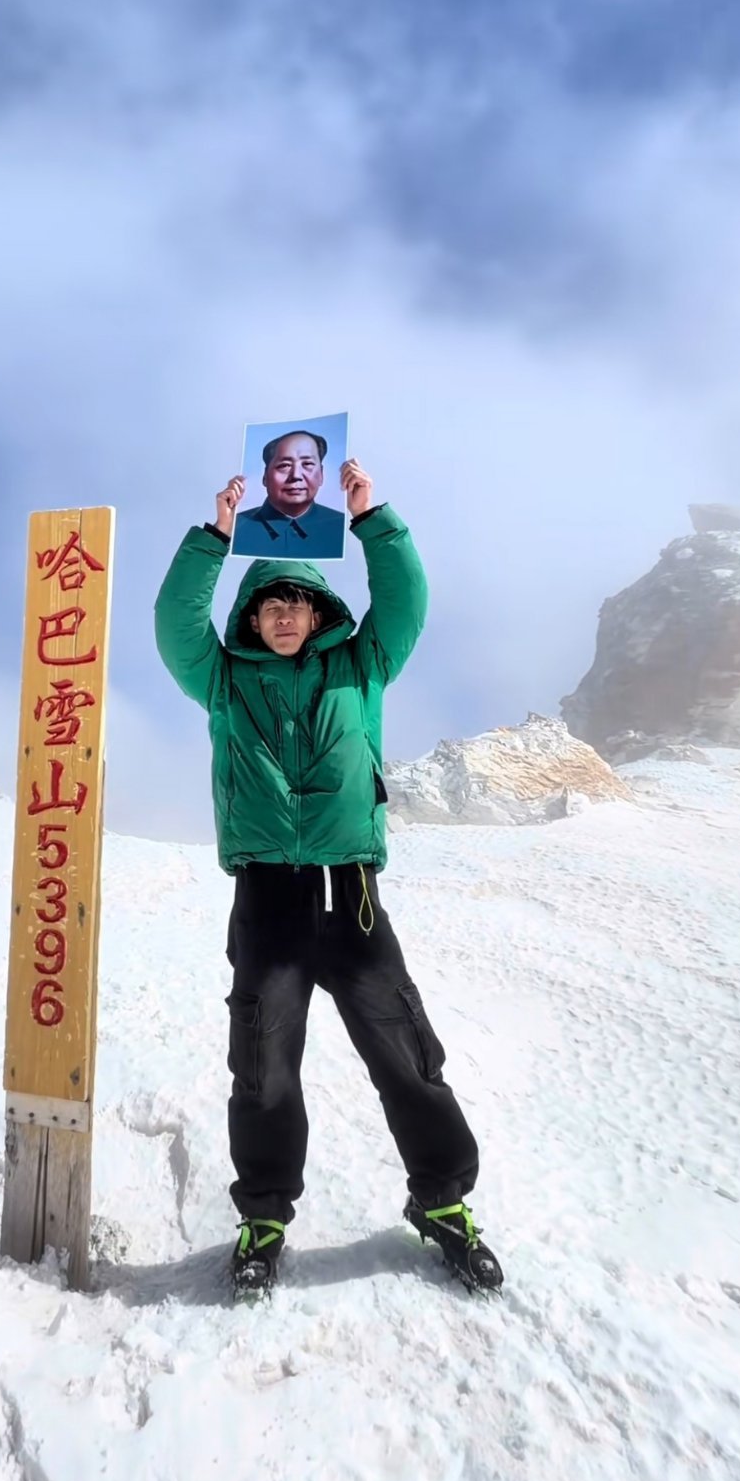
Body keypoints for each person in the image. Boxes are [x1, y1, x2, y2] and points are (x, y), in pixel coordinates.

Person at [154, 457, 503, 1299]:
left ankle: (443, 1204)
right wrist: (214, 539)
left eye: (297, 602)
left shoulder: (361, 665)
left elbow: (407, 600)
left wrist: (370, 518)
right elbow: (175, 625)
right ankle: (265, 1216)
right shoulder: (225, 679)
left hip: (351, 895)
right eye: (270, 602)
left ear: (320, 611)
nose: (283, 614)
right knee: (263, 1061)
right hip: (269, 895)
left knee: (404, 1053)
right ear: (253, 612)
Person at [231, 429, 347, 558]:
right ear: (265, 476)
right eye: (284, 465)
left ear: (321, 474)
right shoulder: (235, 527)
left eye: (307, 464)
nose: (296, 475)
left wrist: (363, 513)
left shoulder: (343, 527)